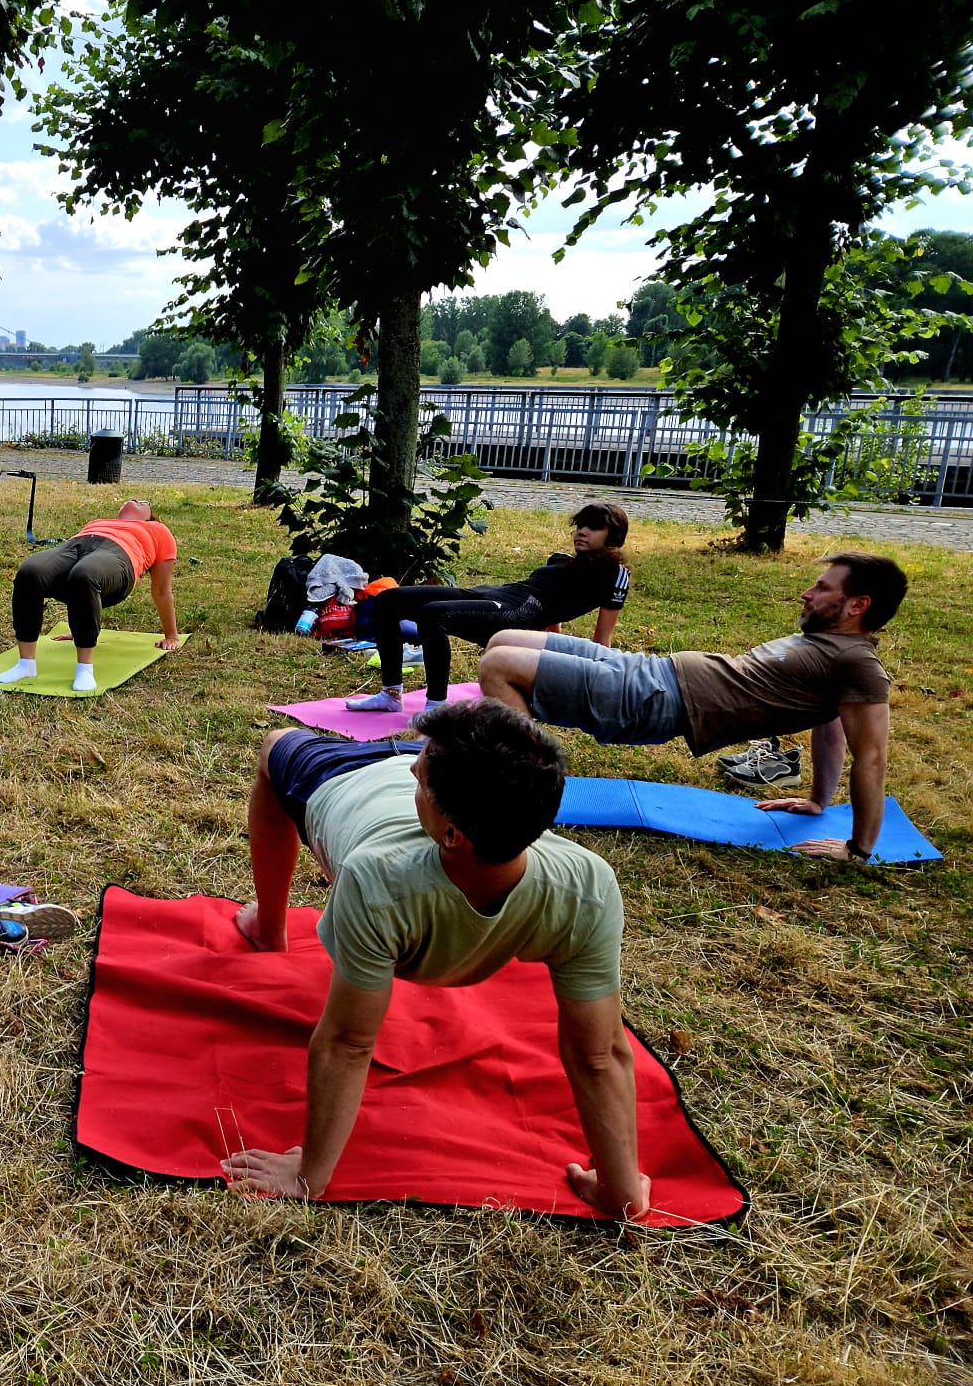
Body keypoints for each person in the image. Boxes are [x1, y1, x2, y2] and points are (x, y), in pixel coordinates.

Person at [221, 702, 649, 1220]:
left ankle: (270, 930)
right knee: (284, 748)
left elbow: (349, 1042)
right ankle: (269, 926)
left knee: (273, 745)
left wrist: (307, 1176)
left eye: (420, 779)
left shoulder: (377, 880)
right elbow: (597, 1053)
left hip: (342, 777)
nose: (412, 772)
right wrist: (623, 1193)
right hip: (427, 790)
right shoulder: (587, 882)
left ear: (451, 834)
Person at [477, 552, 905, 862]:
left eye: (823, 588)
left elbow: (871, 757)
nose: (806, 593)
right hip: (654, 670)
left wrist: (858, 849)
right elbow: (826, 724)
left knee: (499, 666)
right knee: (505, 640)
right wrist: (817, 801)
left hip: (658, 700)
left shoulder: (859, 664)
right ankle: (515, 771)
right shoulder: (828, 644)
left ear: (858, 605)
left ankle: (521, 802)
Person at [346, 502, 632, 713]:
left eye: (594, 527)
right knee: (387, 600)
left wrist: (601, 681)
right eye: (580, 525)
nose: (582, 531)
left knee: (433, 614)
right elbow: (553, 623)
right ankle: (391, 694)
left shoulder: (615, 573)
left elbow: (602, 638)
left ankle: (436, 707)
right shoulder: (562, 559)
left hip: (518, 612)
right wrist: (545, 644)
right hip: (500, 594)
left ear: (614, 535)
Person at [0, 497, 184, 693]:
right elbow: (69, 573)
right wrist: (79, 626)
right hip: (77, 545)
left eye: (142, 501)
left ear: (149, 516)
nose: (135, 500)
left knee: (85, 575)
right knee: (29, 572)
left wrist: (171, 635)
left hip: (120, 555)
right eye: (132, 499)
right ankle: (26, 664)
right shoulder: (97, 523)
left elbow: (161, 590)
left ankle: (84, 670)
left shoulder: (158, 530)